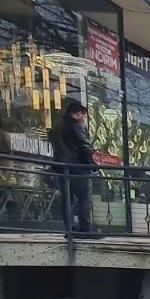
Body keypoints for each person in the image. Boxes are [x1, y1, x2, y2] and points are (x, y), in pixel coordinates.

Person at [52, 100, 96, 233]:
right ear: (77, 114)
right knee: (84, 198)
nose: (84, 118)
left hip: (62, 167)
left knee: (67, 200)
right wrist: (91, 162)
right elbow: (84, 146)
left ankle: (69, 228)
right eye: (83, 115)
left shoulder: (57, 127)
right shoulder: (77, 125)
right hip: (78, 167)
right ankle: (85, 227)